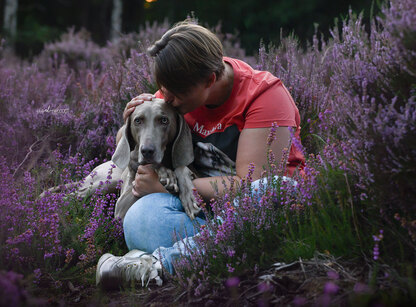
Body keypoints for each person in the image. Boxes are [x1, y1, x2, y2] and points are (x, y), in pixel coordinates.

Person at [95, 21, 305, 290]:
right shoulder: (179, 87)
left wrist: (166, 185)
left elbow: (248, 184)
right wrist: (132, 122)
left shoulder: (264, 96)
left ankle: (157, 263)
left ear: (209, 80)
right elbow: (131, 149)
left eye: (176, 93)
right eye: (162, 87)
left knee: (275, 189)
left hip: (258, 210)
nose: (166, 99)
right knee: (141, 218)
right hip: (202, 214)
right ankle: (215, 250)